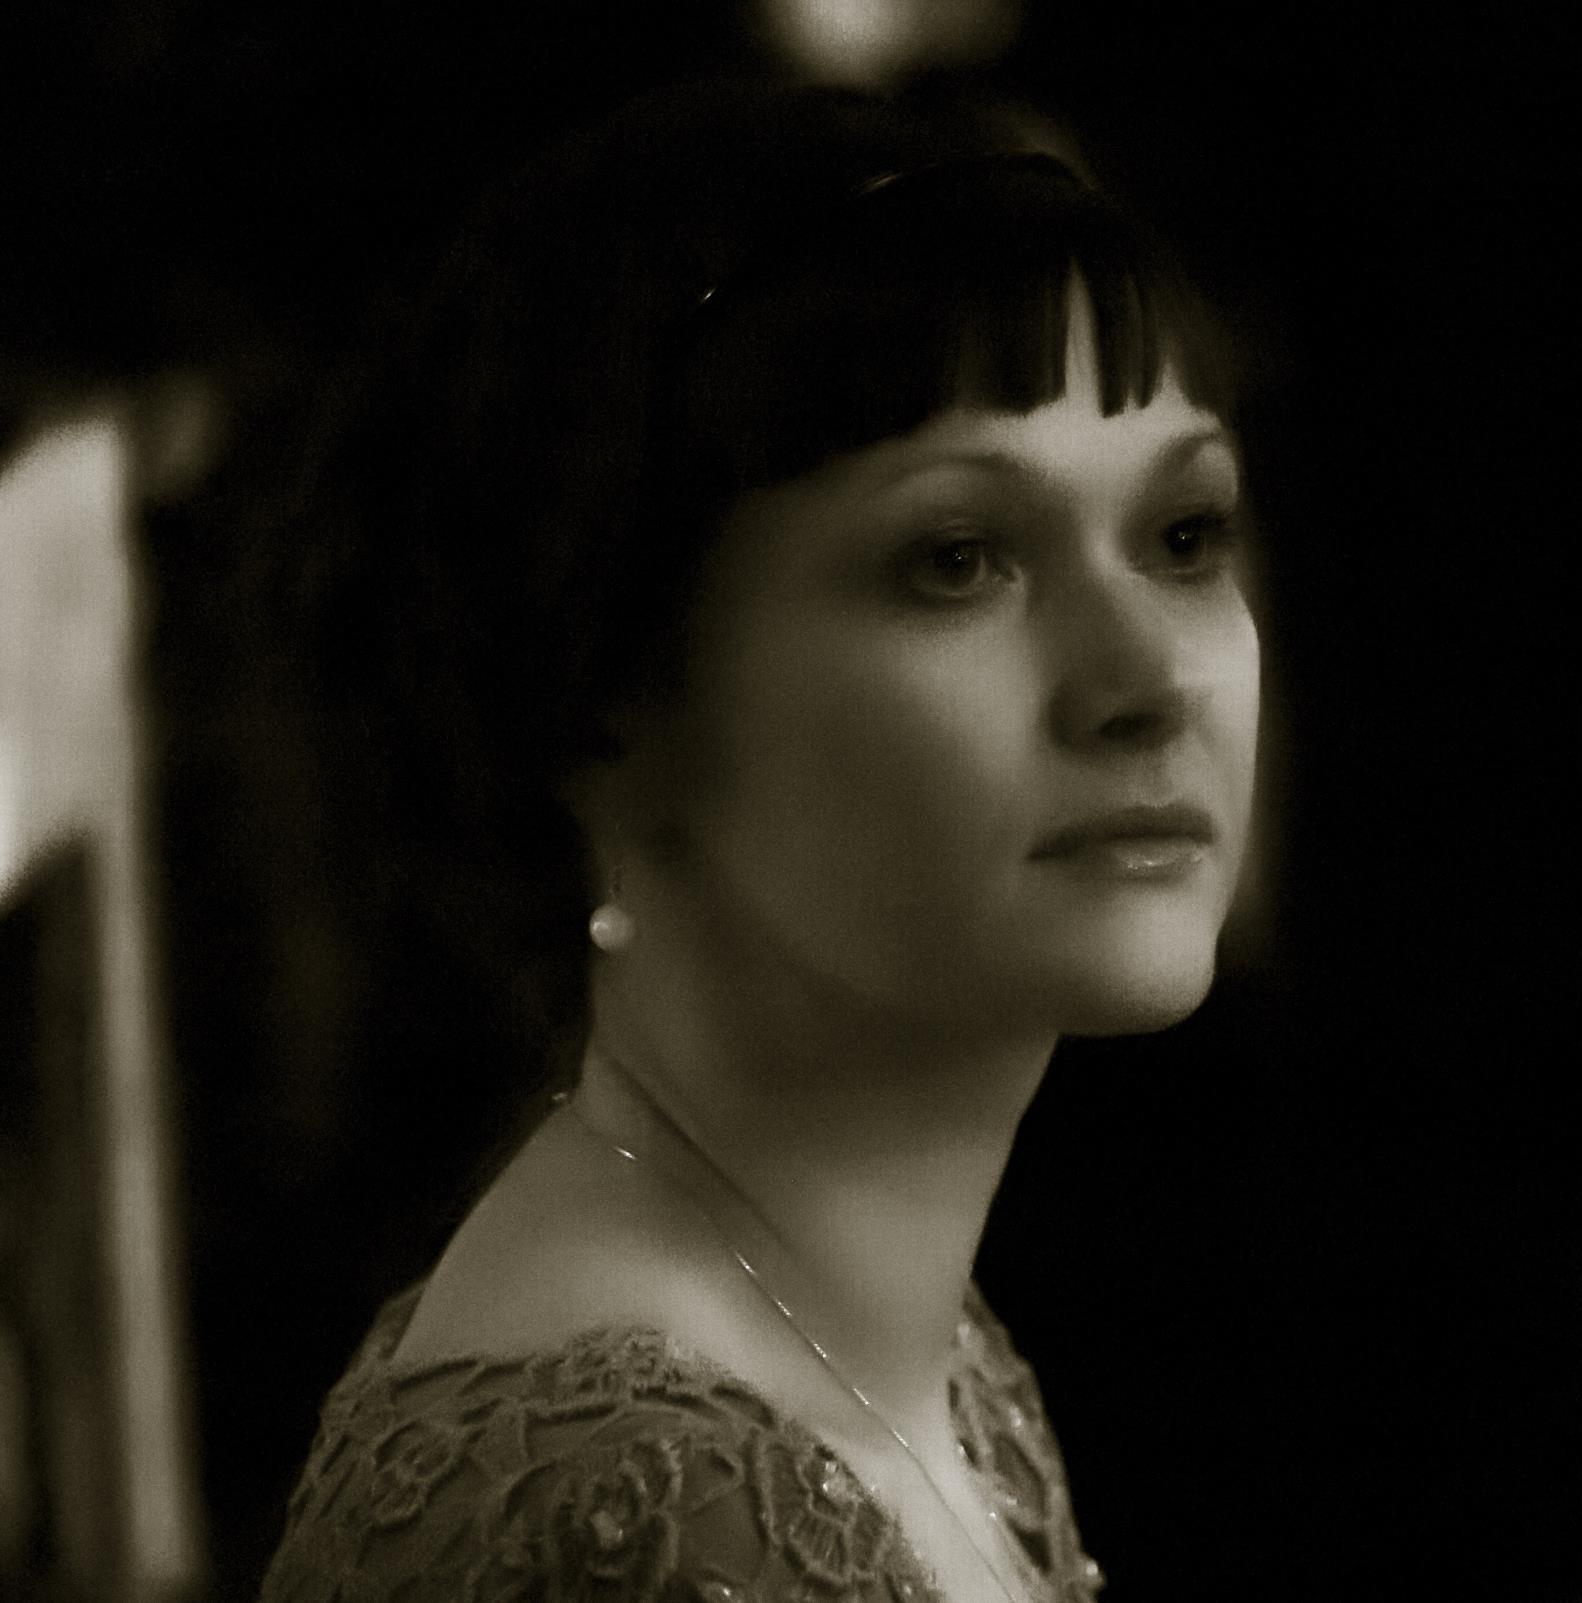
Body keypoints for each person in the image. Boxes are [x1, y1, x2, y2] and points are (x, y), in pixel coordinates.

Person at [257, 77, 1261, 1603]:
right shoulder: (639, 1514)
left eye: (1183, 537)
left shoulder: (911, 1355)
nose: (1148, 678)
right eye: (957, 557)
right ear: (604, 700)